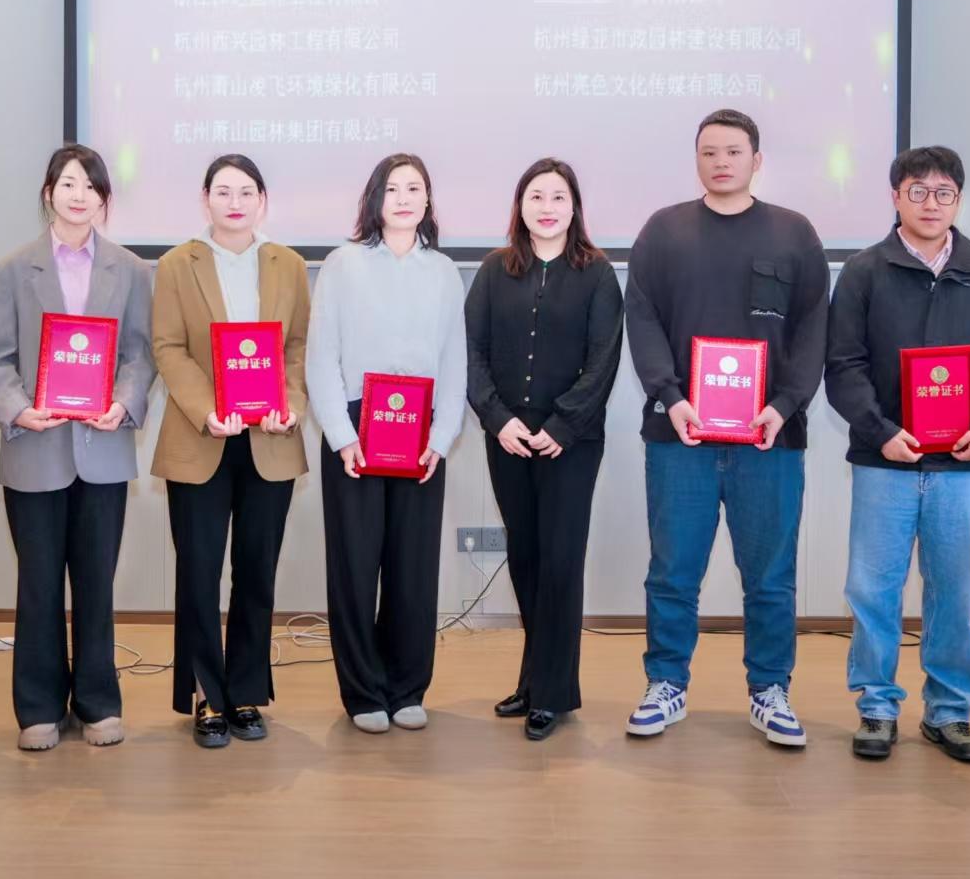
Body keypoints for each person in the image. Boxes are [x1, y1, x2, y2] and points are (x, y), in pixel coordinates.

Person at [622, 110, 828, 747]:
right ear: (697, 160)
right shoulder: (663, 231)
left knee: (770, 575)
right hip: (679, 437)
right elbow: (642, 318)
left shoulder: (794, 233)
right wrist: (670, 396)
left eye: (733, 151)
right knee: (672, 571)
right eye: (709, 151)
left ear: (756, 160)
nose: (721, 161)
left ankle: (770, 690)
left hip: (769, 439)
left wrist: (785, 404)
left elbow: (813, 329)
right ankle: (666, 683)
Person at [825, 145, 970, 763]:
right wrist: (880, 430)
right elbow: (843, 365)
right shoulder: (863, 270)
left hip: (960, 464)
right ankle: (877, 707)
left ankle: (949, 712)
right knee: (873, 590)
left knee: (954, 592)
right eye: (917, 191)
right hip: (884, 460)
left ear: (958, 200)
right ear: (895, 197)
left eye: (944, 192)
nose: (931, 203)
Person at [0, 144, 154, 752]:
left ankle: (99, 702)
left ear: (105, 198)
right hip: (36, 447)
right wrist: (16, 408)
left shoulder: (132, 270)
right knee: (39, 584)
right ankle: (38, 707)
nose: (80, 195)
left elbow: (139, 354)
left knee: (97, 584)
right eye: (69, 183)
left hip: (102, 448)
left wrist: (123, 403)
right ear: (49, 192)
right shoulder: (10, 270)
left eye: (91, 186)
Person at [151, 154, 311, 749]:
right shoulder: (177, 264)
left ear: (262, 200)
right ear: (206, 200)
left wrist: (290, 403)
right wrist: (206, 409)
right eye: (223, 191)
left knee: (256, 571)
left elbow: (298, 346)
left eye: (246, 191)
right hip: (202, 437)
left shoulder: (290, 264)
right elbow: (168, 347)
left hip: (270, 438)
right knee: (198, 572)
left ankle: (244, 693)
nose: (235, 201)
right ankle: (205, 695)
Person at [306, 152, 467, 734]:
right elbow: (321, 356)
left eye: (414, 188)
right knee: (354, 562)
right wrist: (341, 436)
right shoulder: (342, 264)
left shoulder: (443, 272)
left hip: (420, 429)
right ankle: (363, 692)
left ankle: (406, 687)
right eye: (393, 188)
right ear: (375, 198)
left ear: (427, 201)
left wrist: (442, 438)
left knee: (413, 564)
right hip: (355, 425)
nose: (403, 198)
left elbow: (455, 361)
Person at [465, 157, 623, 740]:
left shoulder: (597, 274)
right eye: (536, 196)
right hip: (507, 437)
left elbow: (603, 360)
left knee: (560, 562)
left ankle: (554, 694)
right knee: (526, 558)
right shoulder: (493, 270)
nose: (547, 207)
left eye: (558, 197)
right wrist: (498, 419)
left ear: (574, 206)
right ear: (520, 205)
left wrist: (563, 425)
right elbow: (472, 353)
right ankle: (533, 679)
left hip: (569, 444)